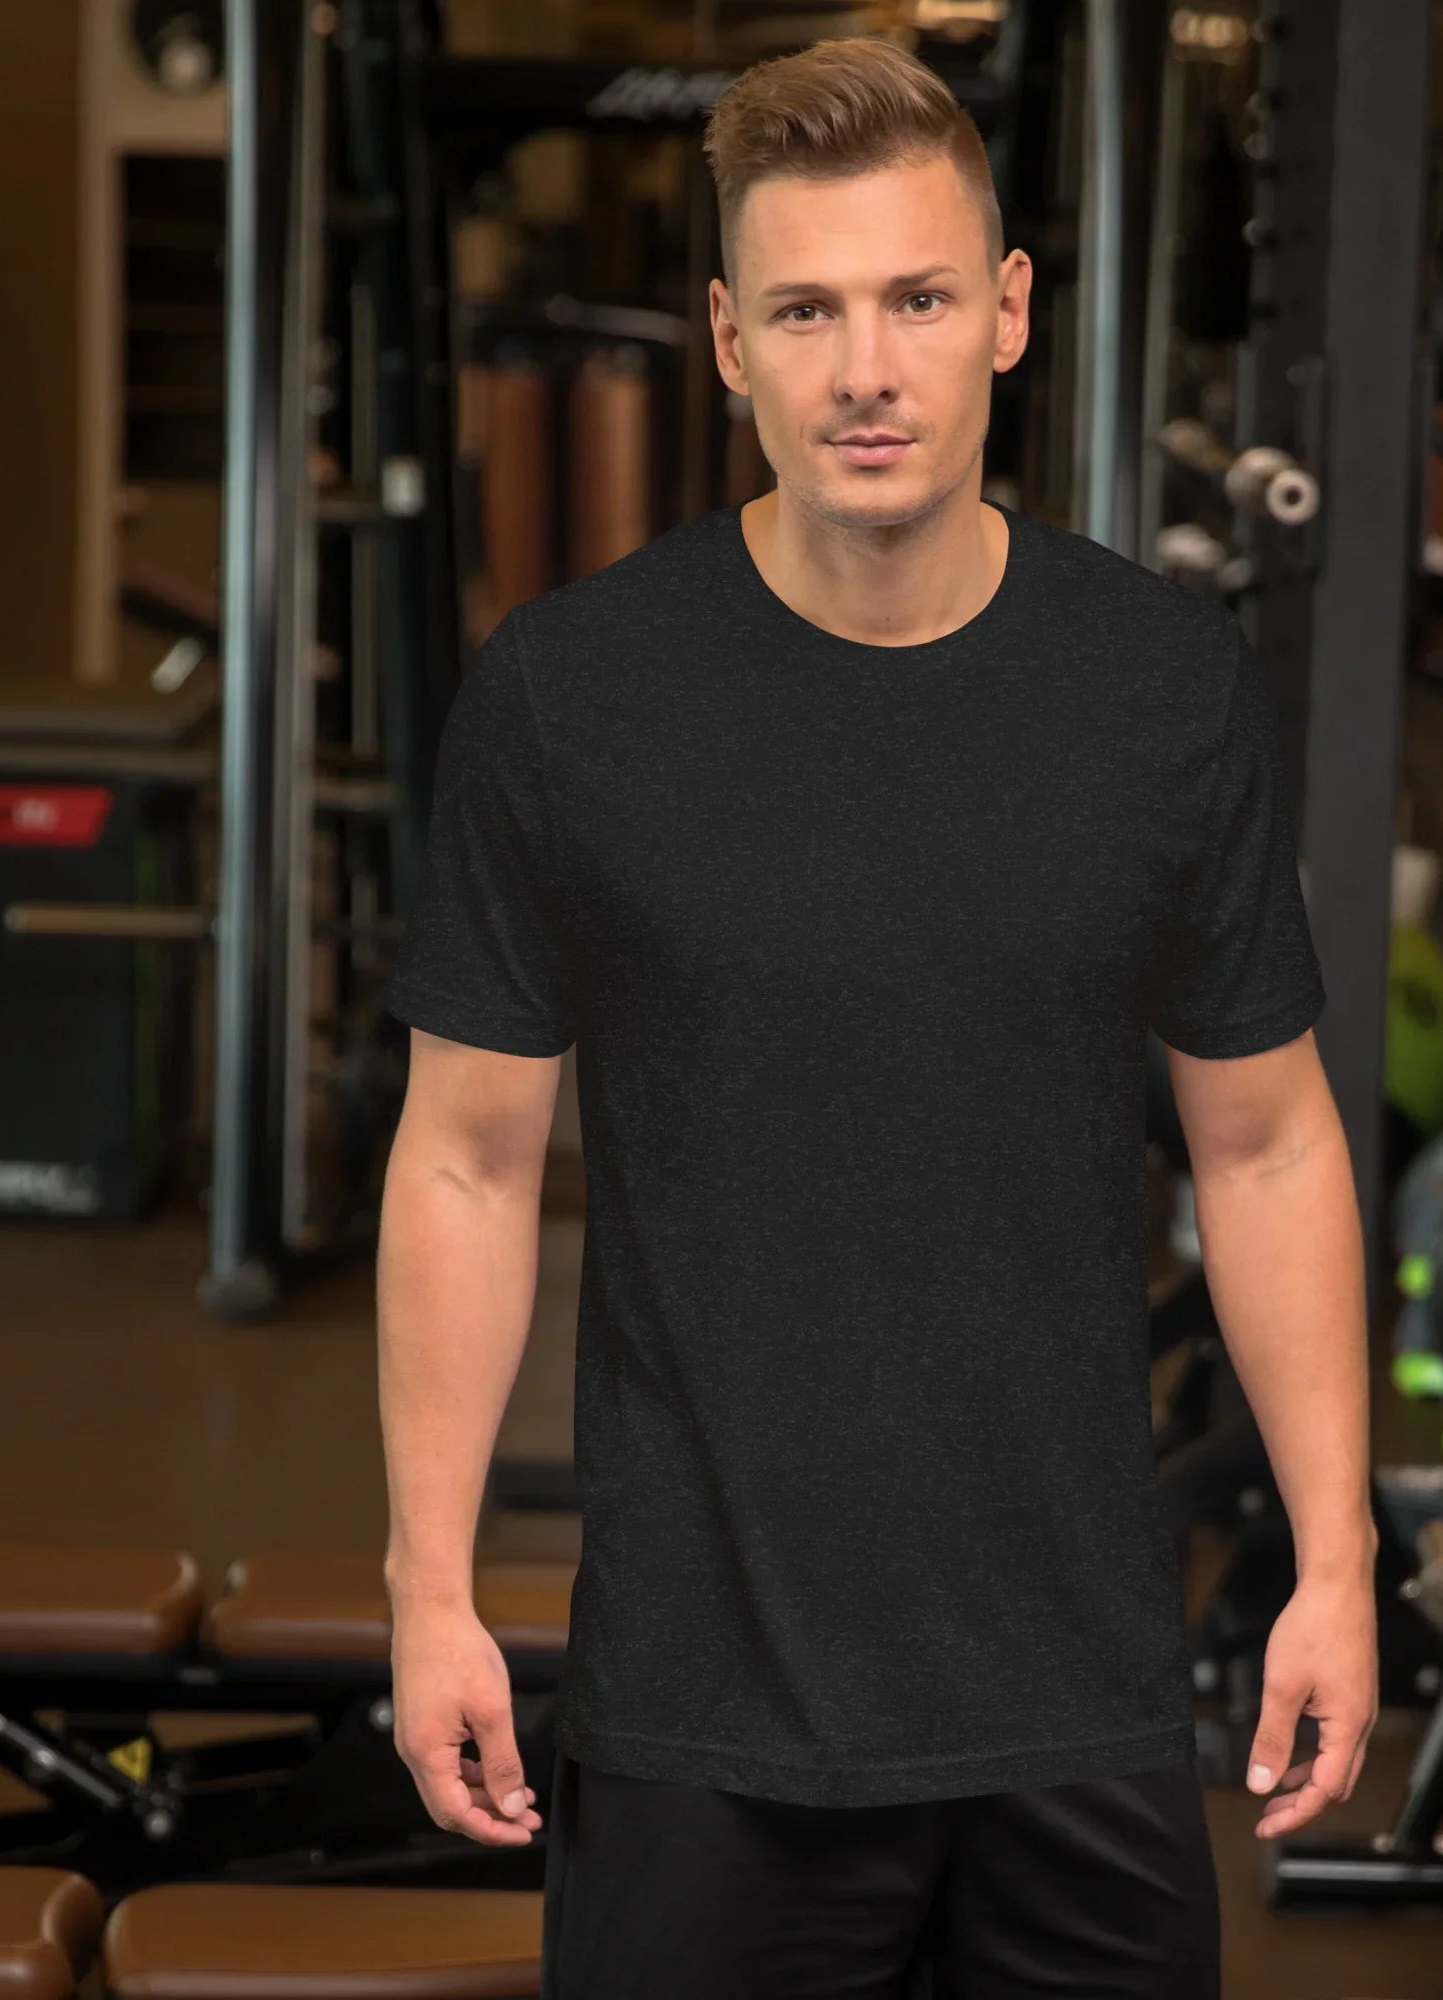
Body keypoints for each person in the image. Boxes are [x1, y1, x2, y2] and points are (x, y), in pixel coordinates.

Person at [376, 33, 1375, 1999]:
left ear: (1005, 315)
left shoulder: (1162, 697)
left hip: (1076, 1696)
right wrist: (429, 1588)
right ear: (729, 339)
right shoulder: (573, 701)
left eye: (917, 298)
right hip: (703, 1708)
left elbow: (1267, 1138)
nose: (865, 370)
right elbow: (467, 1161)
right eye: (809, 310)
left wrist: (1333, 1565)